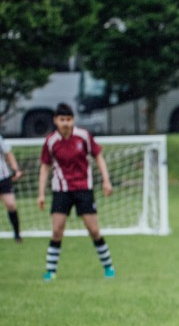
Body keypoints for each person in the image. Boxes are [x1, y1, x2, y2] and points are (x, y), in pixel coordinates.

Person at [37, 103, 115, 281]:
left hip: (83, 188)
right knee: (57, 230)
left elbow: (98, 157)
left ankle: (108, 266)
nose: (66, 123)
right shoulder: (51, 142)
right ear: (56, 121)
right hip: (61, 190)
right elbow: (45, 167)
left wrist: (106, 180)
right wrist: (41, 193)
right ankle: (50, 271)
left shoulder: (83, 137)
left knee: (94, 230)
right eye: (62, 119)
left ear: (73, 120)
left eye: (69, 119)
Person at [0, 134, 24, 242]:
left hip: (3, 177)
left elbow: (8, 154)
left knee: (11, 204)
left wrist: (16, 169)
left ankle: (17, 234)